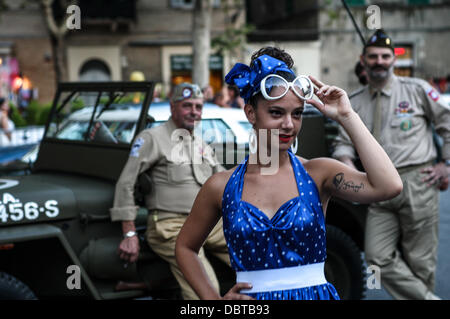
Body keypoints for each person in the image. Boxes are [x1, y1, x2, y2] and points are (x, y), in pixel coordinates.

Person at [175, 46, 403, 300]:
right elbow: (185, 247)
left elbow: (389, 185)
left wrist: (347, 116)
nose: (288, 124)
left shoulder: (317, 174)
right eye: (276, 112)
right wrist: (213, 300)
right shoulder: (220, 186)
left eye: (297, 114)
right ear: (251, 112)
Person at [332, 29, 450, 300]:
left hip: (418, 181)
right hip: (377, 190)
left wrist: (447, 164)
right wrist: (349, 168)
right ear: (363, 60)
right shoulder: (355, 102)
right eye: (373, 56)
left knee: (421, 262)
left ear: (394, 60)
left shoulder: (418, 90)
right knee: (376, 257)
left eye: (385, 56)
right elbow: (342, 144)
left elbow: (447, 123)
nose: (379, 61)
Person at [110, 83, 230, 300]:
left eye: (198, 106)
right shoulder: (152, 138)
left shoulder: (200, 143)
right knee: (206, 290)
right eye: (187, 105)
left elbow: (222, 180)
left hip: (208, 224)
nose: (194, 111)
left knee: (255, 253)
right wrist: (129, 233)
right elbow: (125, 183)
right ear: (173, 107)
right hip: (171, 226)